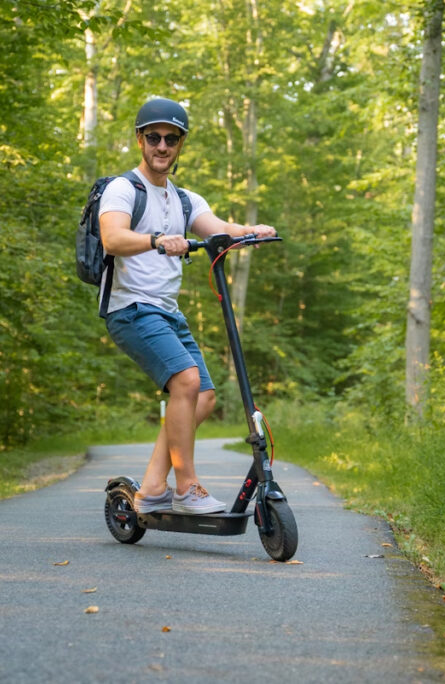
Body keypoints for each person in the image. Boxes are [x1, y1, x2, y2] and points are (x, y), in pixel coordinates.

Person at [98, 97, 277, 515]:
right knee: (186, 380)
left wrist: (250, 231)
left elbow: (219, 230)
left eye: (171, 139)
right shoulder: (122, 189)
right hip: (130, 309)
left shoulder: (184, 199)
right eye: (154, 137)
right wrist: (157, 240)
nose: (162, 146)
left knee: (204, 396)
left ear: (180, 145)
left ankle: (154, 488)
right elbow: (113, 238)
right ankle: (187, 487)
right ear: (140, 140)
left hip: (167, 313)